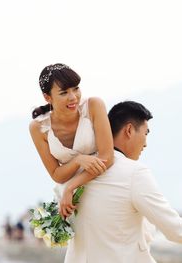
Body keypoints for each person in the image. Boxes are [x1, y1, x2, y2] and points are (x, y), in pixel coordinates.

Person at [63, 101, 182, 262]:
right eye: (146, 134)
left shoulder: (77, 172)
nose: (145, 143)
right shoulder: (134, 173)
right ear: (129, 130)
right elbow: (174, 229)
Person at [29, 63, 114, 216]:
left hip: (106, 181)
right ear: (47, 97)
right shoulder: (38, 128)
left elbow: (107, 157)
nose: (73, 97)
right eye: (64, 92)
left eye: (76, 88)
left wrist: (71, 187)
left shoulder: (94, 105)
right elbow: (56, 174)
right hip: (73, 200)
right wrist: (78, 160)